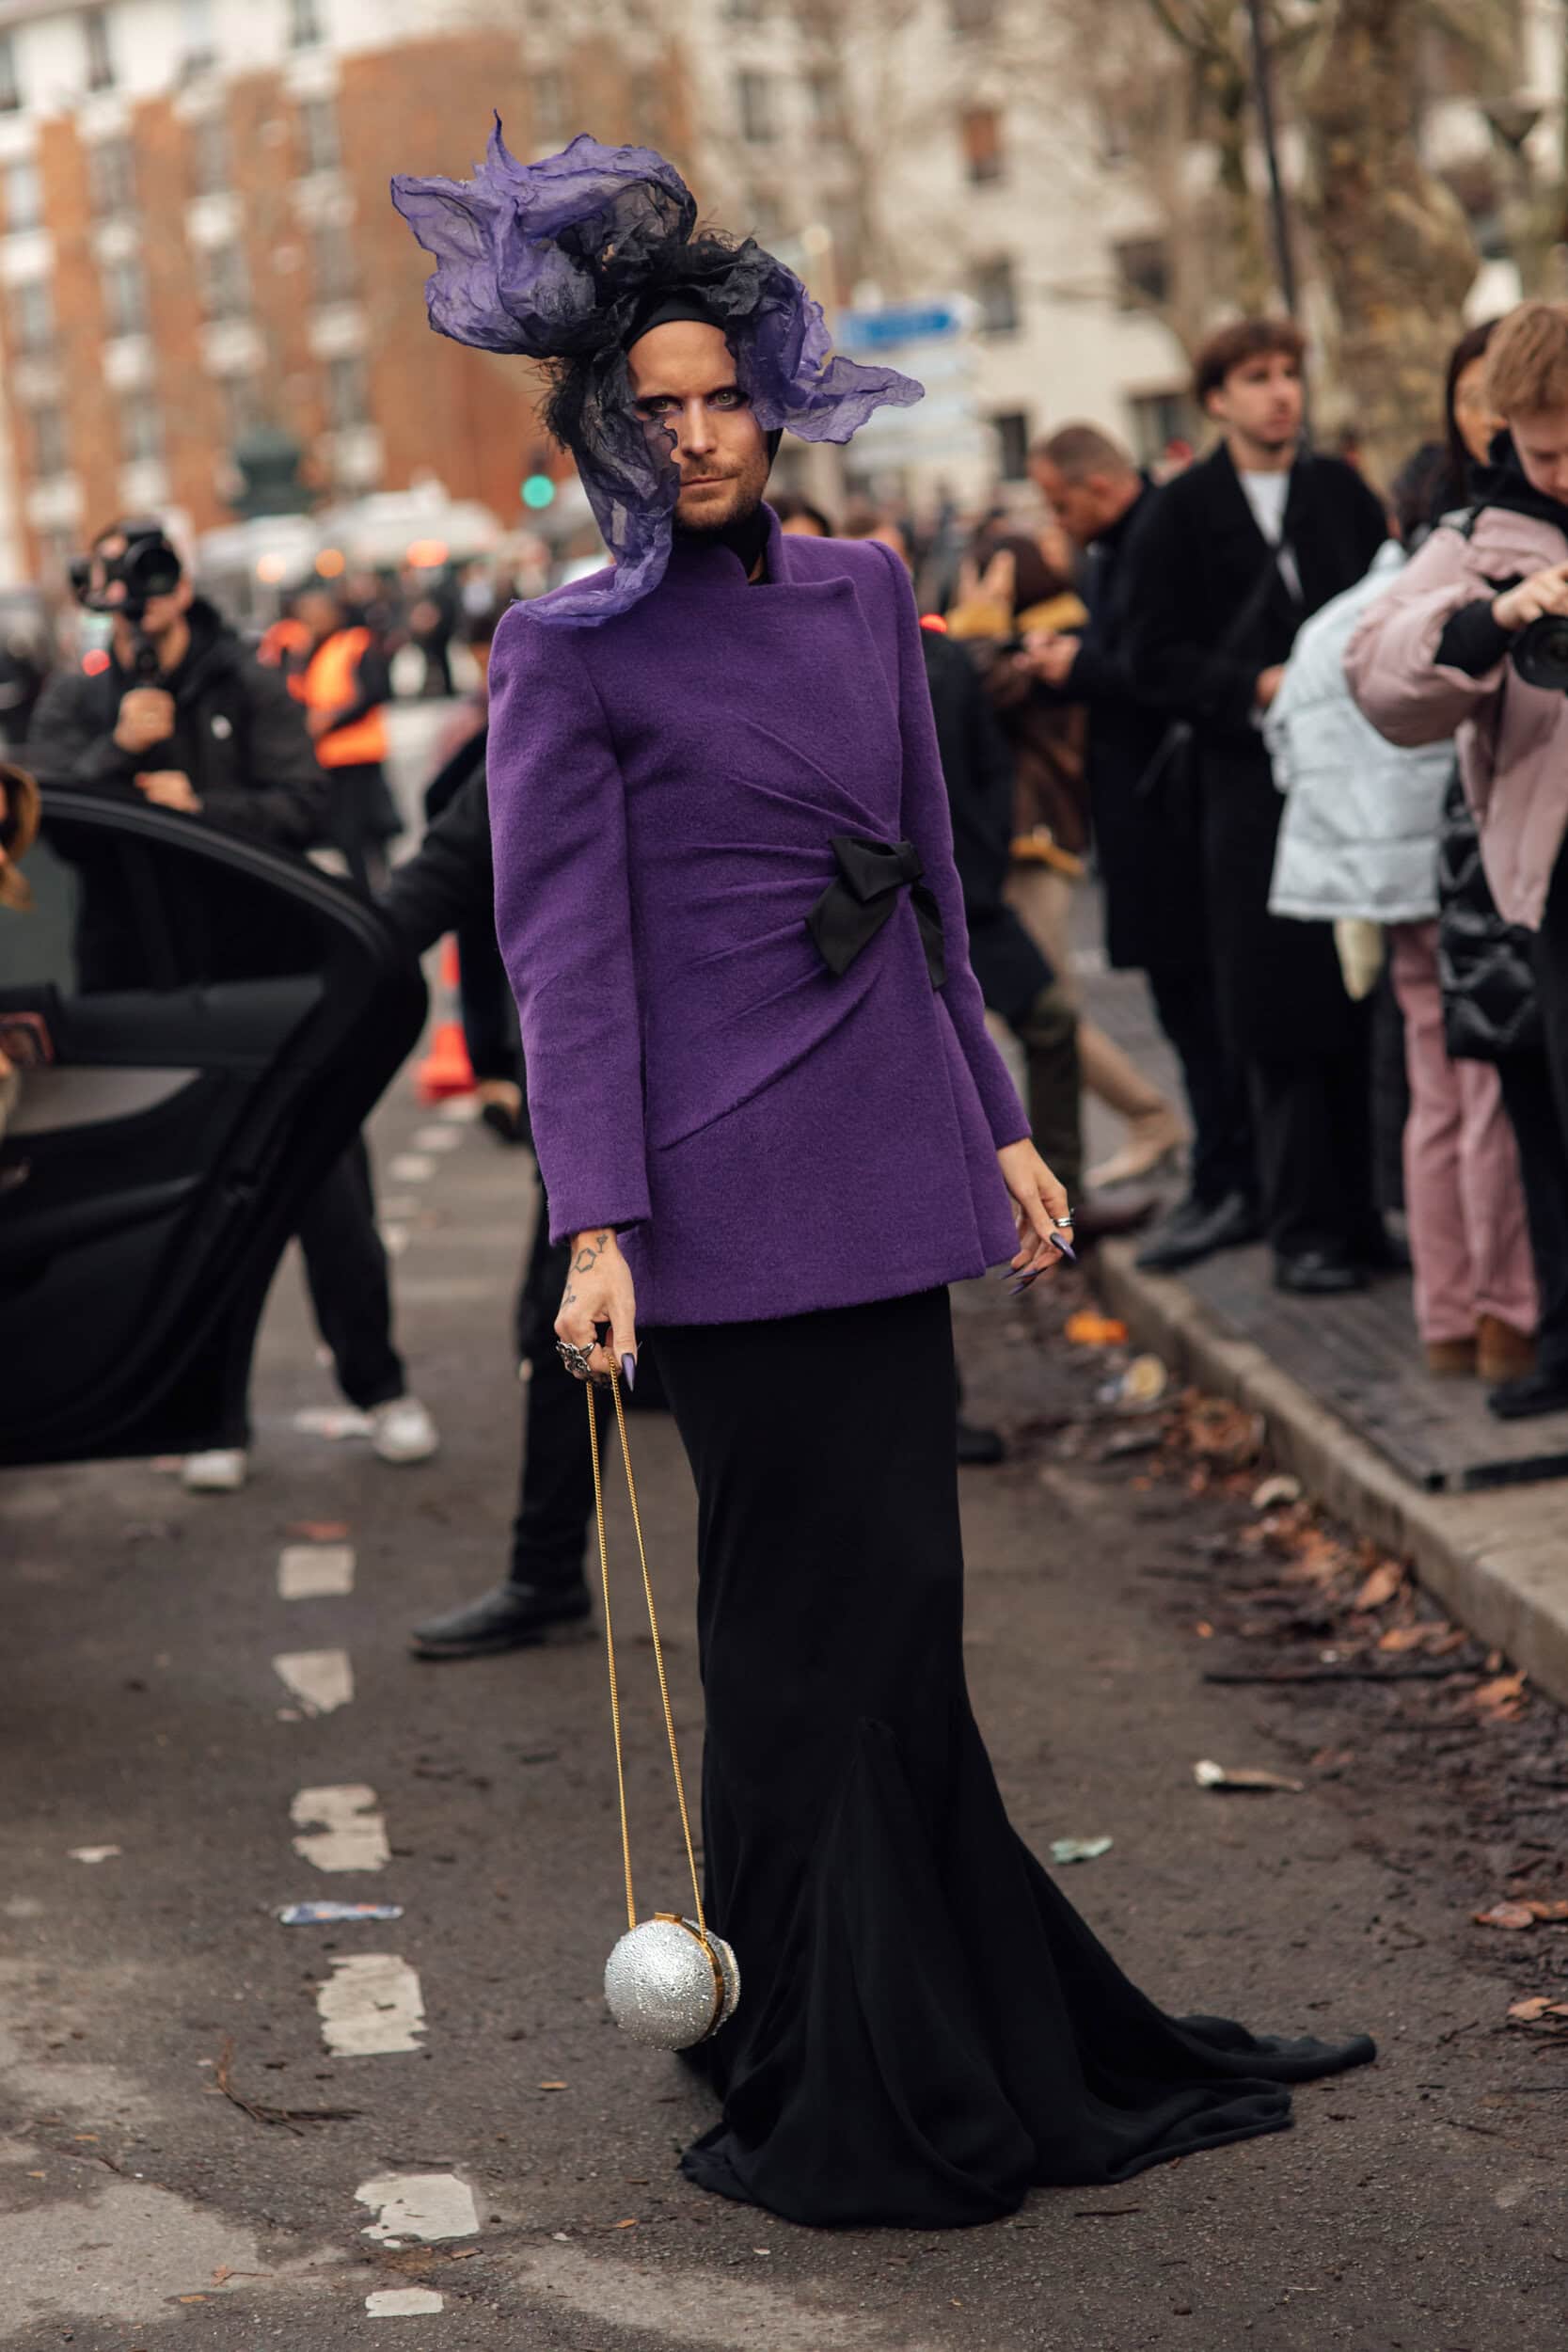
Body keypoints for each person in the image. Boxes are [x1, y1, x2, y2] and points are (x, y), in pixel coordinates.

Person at [394, 128, 1372, 2227]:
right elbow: (562, 960)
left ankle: (959, 2020)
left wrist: (1002, 1126)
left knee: (905, 1629)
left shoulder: (859, 591)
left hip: (884, 1165)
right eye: (646, 411)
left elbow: (932, 888)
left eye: (717, 393)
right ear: (603, 433)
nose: (693, 434)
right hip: (714, 1208)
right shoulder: (559, 649)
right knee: (789, 1642)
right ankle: (814, 2045)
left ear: (773, 387)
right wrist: (593, 1221)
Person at [26, 522, 438, 1488]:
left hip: (272, 977)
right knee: (189, 1208)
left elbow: (303, 804)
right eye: (123, 581)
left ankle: (378, 1386)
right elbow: (39, 814)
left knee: (328, 1193)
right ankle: (210, 1415)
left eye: (158, 577)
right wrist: (108, 755)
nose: (144, 596)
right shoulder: (81, 695)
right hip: (142, 988)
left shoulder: (245, 675)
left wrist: (200, 812)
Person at [1122, 318, 1392, 1293]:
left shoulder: (1337, 492)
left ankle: (1362, 1218)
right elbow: (1146, 655)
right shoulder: (1181, 510)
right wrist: (1251, 687)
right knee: (1275, 1015)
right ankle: (1301, 1230)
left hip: (1347, 783)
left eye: (1289, 375)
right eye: (1256, 377)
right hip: (1242, 795)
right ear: (1216, 398)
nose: (1280, 393)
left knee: (1356, 1002)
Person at [1264, 443, 1537, 1380]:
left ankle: (1445, 1318)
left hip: (1363, 886)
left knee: (1431, 1091)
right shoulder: (1430, 603)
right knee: (1482, 1099)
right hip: (1450, 875)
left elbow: (1283, 743)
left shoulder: (1329, 622)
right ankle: (1506, 1316)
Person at [1346, 298, 1568, 1420]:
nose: (1561, 469)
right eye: (1539, 449)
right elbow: (1375, 673)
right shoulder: (1479, 534)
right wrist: (1494, 619)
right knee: (1540, 1118)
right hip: (1542, 886)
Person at [840, 508, 1151, 1250]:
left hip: (963, 897)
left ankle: (1056, 1205)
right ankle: (930, 1215)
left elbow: (984, 774)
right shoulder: (822, 674)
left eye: (893, 568)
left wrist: (962, 879)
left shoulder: (941, 661)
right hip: (860, 908)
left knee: (1049, 1020)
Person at [1025, 423, 1260, 1270]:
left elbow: (1161, 672)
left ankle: (1236, 1179)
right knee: (1186, 1011)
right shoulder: (1111, 554)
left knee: (1206, 1014)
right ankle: (1222, 1173)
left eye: (1058, 503)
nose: (1057, 523)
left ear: (1095, 487)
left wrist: (1077, 668)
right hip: (1145, 820)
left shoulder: (1161, 537)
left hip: (1178, 823)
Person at [948, 526, 1190, 1194]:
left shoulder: (1035, 644)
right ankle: (1142, 1122)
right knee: (1040, 1010)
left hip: (1036, 840)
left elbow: (975, 688)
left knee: (1046, 1010)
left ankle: (1151, 1117)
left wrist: (976, 621)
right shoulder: (1037, 637)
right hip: (1038, 837)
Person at [293, 585, 402, 891]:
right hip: (332, 759)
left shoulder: (354, 643)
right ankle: (366, 891)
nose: (311, 620)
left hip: (360, 754)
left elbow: (373, 691)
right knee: (348, 835)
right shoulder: (311, 652)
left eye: (316, 612)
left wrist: (330, 721)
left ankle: (383, 890)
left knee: (370, 830)